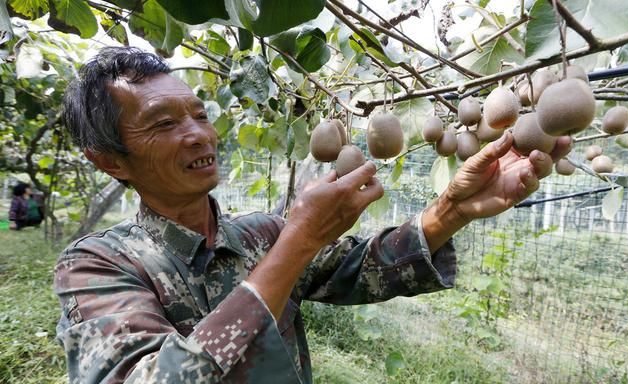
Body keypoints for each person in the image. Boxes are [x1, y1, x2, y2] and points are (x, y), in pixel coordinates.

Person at [54, 46, 571, 383]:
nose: (197, 134)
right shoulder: (97, 265)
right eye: (163, 123)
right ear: (108, 159)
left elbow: (359, 269)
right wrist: (298, 240)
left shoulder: (260, 232)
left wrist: (452, 210)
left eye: (198, 114)